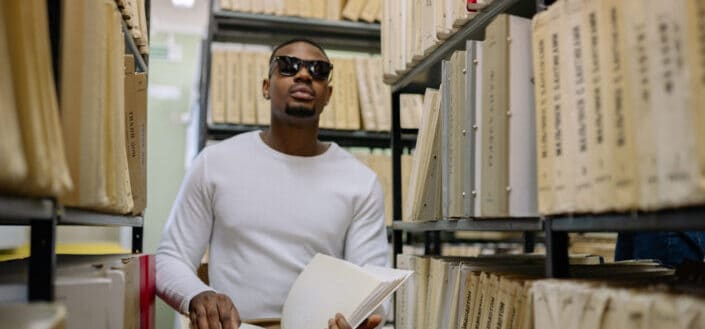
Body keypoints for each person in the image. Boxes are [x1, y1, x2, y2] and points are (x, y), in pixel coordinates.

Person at [156, 38, 390, 329]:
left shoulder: (360, 182)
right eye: (288, 66)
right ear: (266, 87)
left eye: (318, 70)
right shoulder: (214, 163)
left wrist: (361, 318)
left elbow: (374, 285)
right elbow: (170, 259)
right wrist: (198, 295)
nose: (304, 75)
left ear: (328, 94)